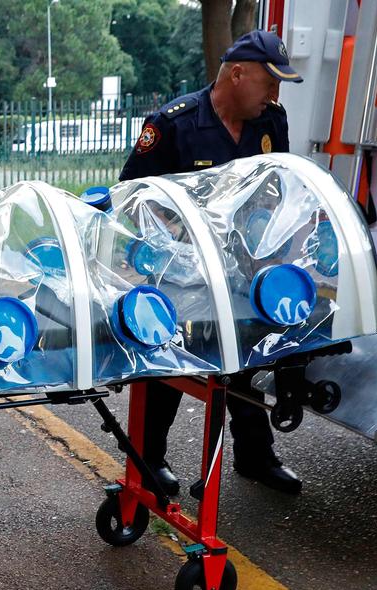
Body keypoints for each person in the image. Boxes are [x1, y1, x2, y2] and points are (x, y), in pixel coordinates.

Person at [118, 30, 304, 497]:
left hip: (243, 269)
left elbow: (276, 188)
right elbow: (130, 198)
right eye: (270, 83)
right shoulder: (174, 125)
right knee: (168, 366)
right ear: (237, 74)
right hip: (179, 274)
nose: (275, 96)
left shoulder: (270, 122)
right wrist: (170, 238)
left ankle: (255, 456)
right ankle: (148, 462)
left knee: (246, 356)